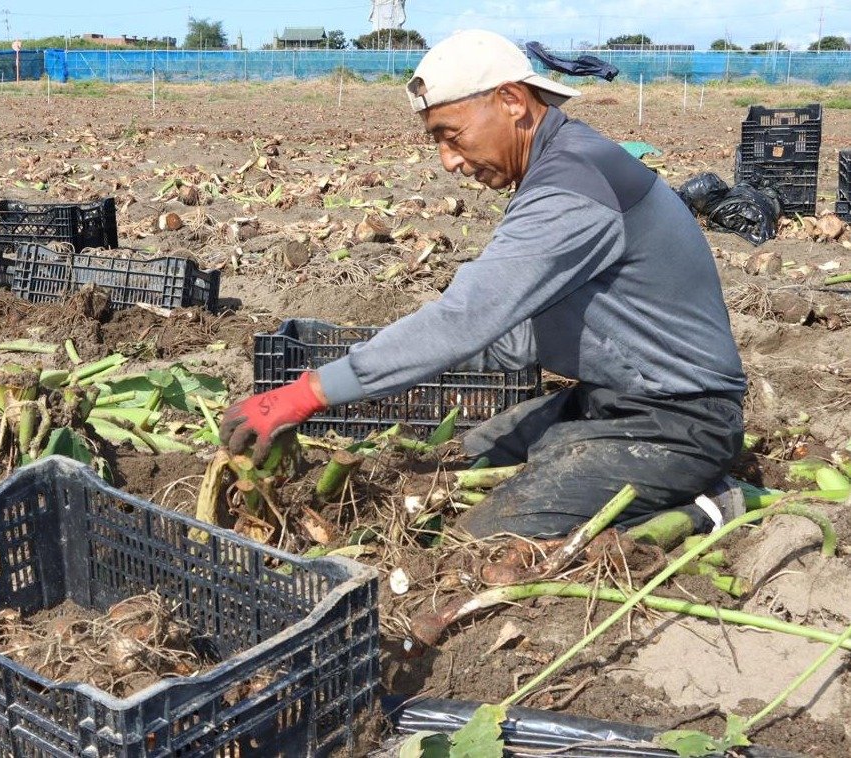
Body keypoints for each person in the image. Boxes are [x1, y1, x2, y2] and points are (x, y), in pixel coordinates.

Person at [221, 30, 747, 538]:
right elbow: (509, 331)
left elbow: (465, 319)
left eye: (452, 136)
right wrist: (387, 360)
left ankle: (704, 505)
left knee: (493, 531)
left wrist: (306, 394)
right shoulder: (559, 166)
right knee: (462, 460)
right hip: (611, 399)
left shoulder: (572, 186)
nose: (449, 160)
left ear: (512, 100)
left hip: (681, 421)